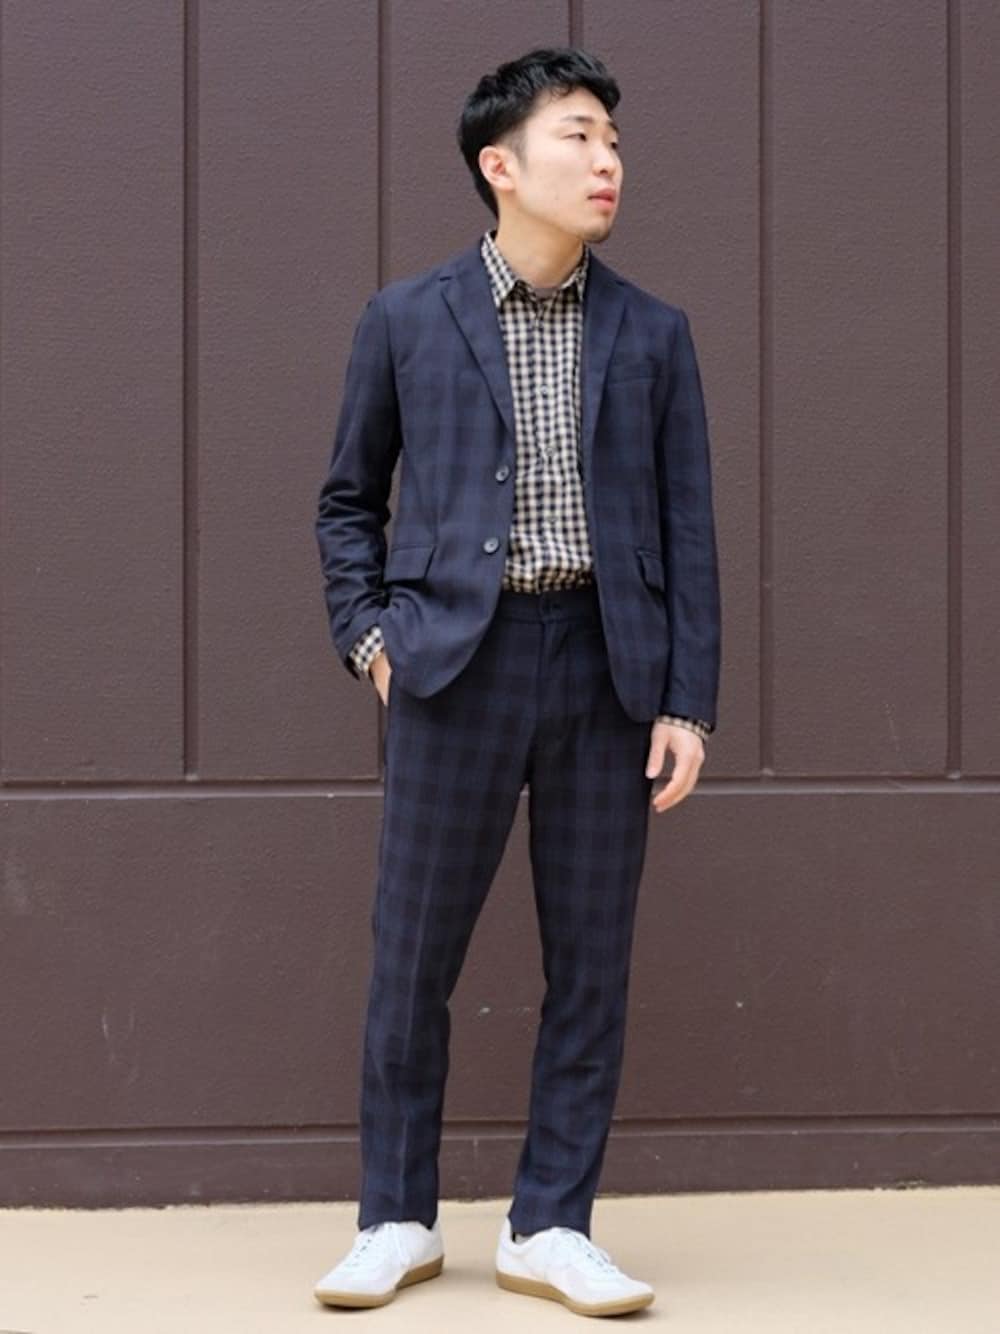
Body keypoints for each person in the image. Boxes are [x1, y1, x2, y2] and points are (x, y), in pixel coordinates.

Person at [312, 45, 721, 1318]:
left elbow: (689, 528)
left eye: (613, 142)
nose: (606, 163)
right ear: (500, 164)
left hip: (606, 669)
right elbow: (345, 502)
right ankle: (395, 1216)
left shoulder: (652, 332)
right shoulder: (405, 318)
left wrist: (687, 700)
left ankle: (551, 1222)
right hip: (454, 665)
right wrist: (372, 640)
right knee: (412, 956)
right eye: (578, 136)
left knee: (591, 962)